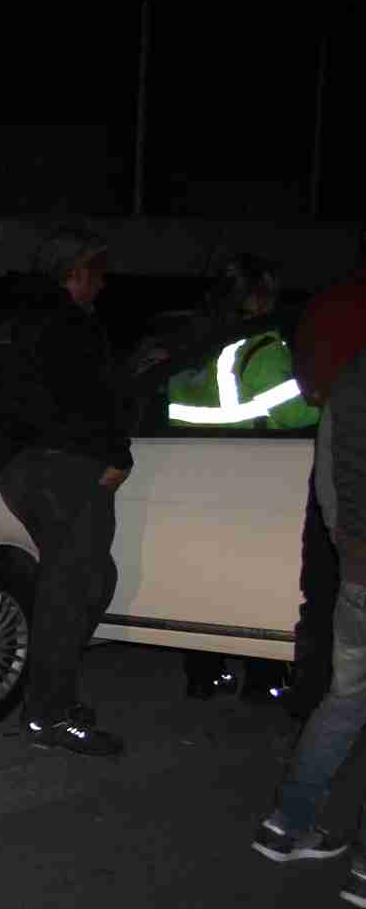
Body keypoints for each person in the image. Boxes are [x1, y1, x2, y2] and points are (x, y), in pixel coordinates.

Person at [0, 227, 131, 756]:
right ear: (75, 273)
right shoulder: (69, 324)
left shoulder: (9, 318)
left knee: (89, 579)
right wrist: (114, 456)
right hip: (65, 468)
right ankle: (49, 713)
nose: (103, 283)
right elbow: (93, 400)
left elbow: (7, 392)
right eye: (97, 272)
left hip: (24, 463)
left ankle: (48, 692)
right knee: (74, 587)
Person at [141, 255, 317, 701]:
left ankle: (203, 674)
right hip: (254, 476)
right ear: (260, 297)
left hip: (193, 472)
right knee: (261, 578)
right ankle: (263, 681)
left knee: (202, 575)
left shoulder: (193, 345)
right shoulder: (261, 350)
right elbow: (296, 412)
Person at [253, 232, 366, 888]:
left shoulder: (352, 377)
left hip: (356, 569)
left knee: (344, 700)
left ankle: (286, 826)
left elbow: (327, 474)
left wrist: (347, 545)